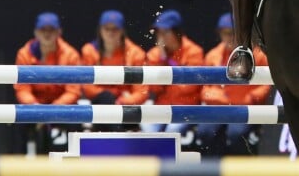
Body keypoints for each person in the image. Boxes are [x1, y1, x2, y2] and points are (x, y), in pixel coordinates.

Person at [196, 12, 271, 156]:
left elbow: (267, 85)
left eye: (232, 33)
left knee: (236, 134)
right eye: (225, 33)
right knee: (204, 132)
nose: (229, 38)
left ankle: (240, 174)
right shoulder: (213, 55)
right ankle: (212, 172)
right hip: (219, 108)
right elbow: (205, 90)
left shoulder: (258, 54)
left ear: (240, 33)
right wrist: (224, 100)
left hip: (245, 107)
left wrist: (251, 98)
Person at [13, 12, 81, 154]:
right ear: (35, 32)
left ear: (59, 32)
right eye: (43, 30)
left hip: (61, 105)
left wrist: (51, 110)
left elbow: (73, 91)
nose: (47, 34)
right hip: (35, 105)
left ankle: (76, 168)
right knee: (18, 120)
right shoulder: (24, 54)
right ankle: (17, 170)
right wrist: (36, 108)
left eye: (51, 30)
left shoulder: (70, 55)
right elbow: (22, 89)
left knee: (76, 118)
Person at [142, 9, 204, 146]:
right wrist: (162, 60)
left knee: (172, 130)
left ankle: (168, 167)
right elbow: (152, 88)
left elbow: (190, 87)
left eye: (165, 32)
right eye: (159, 32)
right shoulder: (155, 55)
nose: (161, 37)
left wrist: (167, 71)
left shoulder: (194, 52)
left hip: (186, 107)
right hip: (162, 106)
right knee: (147, 128)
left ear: (177, 32)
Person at [81, 10, 148, 131]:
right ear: (100, 30)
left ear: (122, 31)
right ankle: (119, 136)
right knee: (105, 98)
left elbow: (141, 91)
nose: (110, 33)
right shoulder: (89, 51)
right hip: (101, 106)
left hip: (126, 106)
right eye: (107, 28)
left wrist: (123, 101)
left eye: (115, 29)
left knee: (115, 107)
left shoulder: (135, 53)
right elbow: (88, 88)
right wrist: (114, 95)